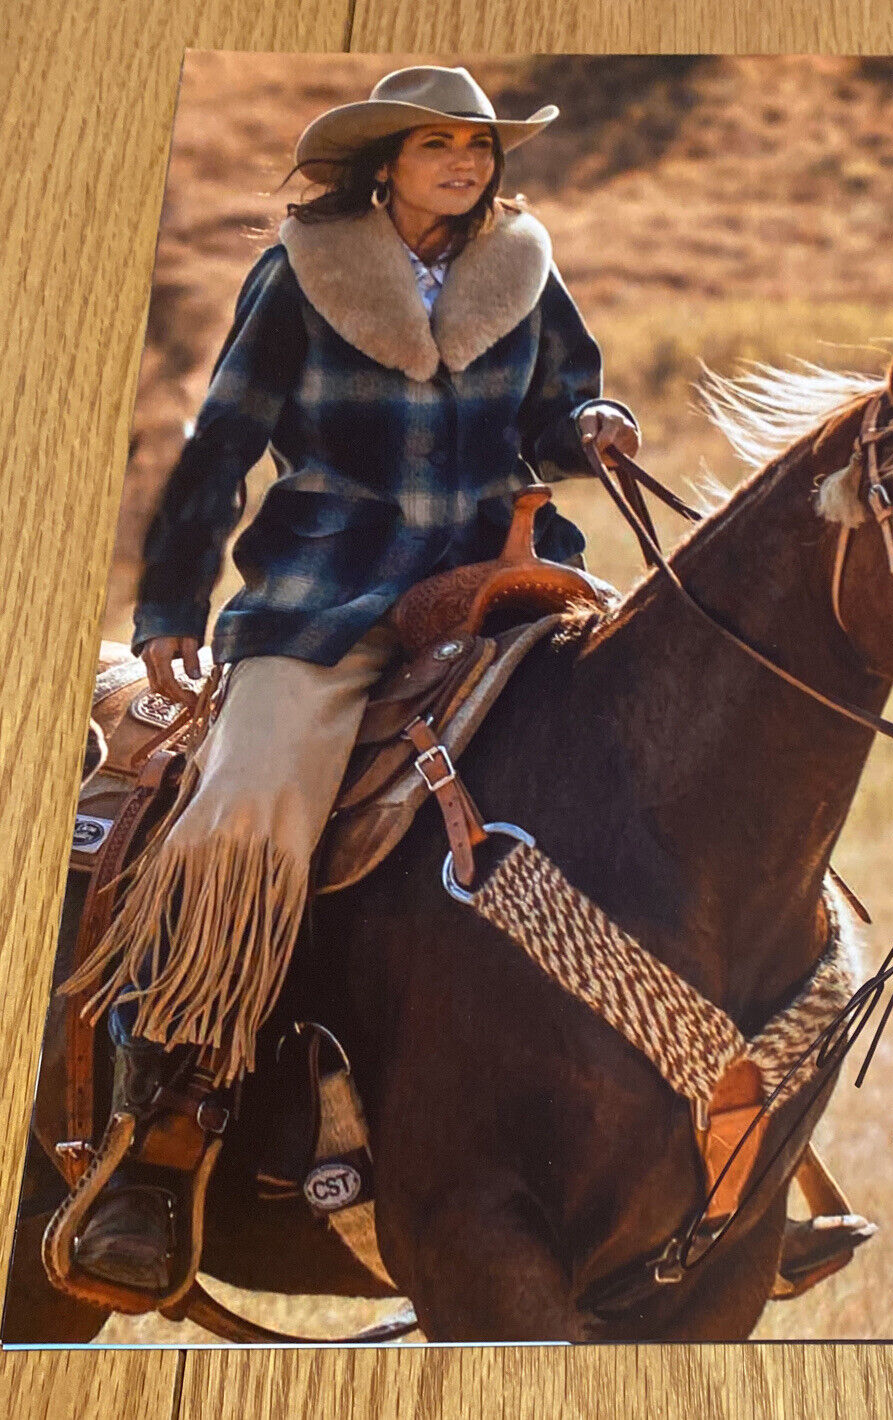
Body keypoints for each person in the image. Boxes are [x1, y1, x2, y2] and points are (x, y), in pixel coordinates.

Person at [61, 65, 640, 1294]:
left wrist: (591, 420)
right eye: (439, 144)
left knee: (643, 771)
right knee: (245, 811)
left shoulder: (525, 267)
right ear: (385, 161)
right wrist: (170, 600)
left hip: (502, 574)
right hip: (331, 591)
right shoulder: (300, 272)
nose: (466, 163)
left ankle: (711, 1145)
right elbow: (221, 441)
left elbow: (557, 404)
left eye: (479, 146)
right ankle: (162, 1131)